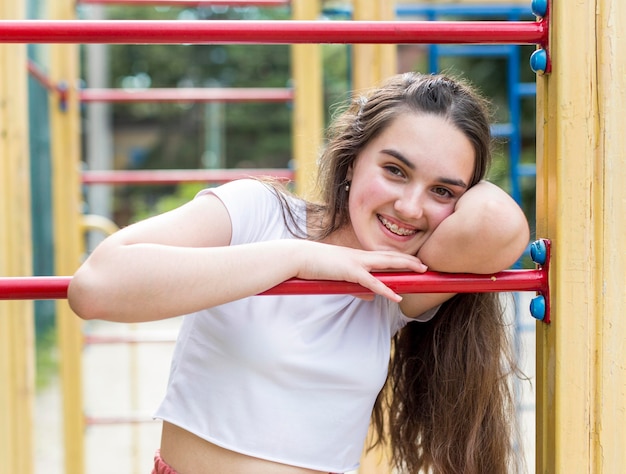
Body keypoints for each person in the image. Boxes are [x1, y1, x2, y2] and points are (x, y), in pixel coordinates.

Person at [68, 72, 530, 474]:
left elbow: (502, 226)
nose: (410, 207)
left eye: (443, 191)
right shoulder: (259, 214)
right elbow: (94, 288)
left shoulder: (398, 282)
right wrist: (298, 259)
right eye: (394, 170)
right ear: (352, 160)